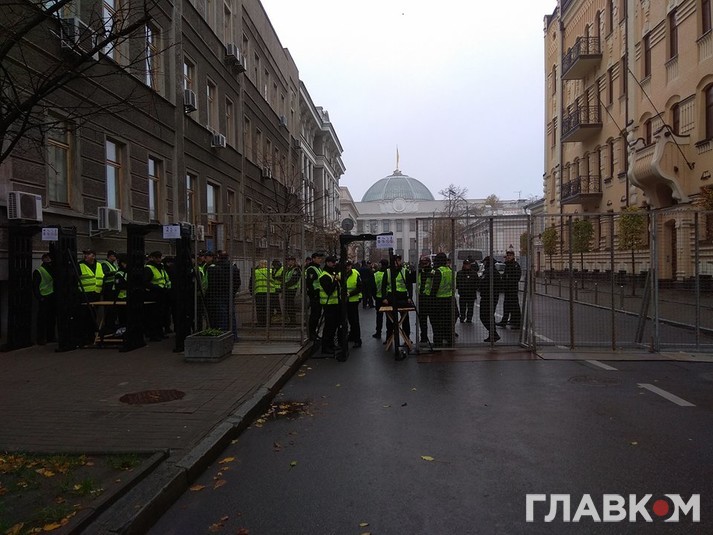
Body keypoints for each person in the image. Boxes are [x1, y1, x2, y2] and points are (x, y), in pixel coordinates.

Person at [206, 250, 241, 337]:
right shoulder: (233, 268)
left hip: (218, 295)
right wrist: (233, 292)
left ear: (218, 258)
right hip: (229, 294)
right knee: (231, 315)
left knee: (221, 315)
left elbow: (211, 283)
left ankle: (223, 335)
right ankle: (233, 335)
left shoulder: (213, 268)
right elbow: (238, 282)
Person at [380, 254, 413, 344]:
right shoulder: (387, 272)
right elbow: (383, 286)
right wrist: (384, 298)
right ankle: (389, 338)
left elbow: (409, 286)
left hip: (402, 298)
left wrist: (409, 297)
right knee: (390, 321)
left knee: (405, 320)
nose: (396, 263)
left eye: (398, 260)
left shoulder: (404, 271)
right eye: (395, 261)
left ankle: (407, 338)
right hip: (391, 298)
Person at [77, 249, 104, 345]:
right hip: (85, 295)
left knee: (93, 317)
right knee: (85, 317)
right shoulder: (80, 265)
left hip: (96, 295)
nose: (85, 256)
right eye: (85, 254)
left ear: (94, 256)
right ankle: (84, 338)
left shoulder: (99, 265)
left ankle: (91, 337)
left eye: (88, 254)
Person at [429, 252, 454, 347]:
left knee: (437, 324)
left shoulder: (438, 271)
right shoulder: (450, 271)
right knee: (448, 322)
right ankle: (450, 341)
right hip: (449, 299)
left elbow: (435, 287)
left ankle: (438, 343)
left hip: (438, 300)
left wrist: (431, 298)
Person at [144, 250, 169, 341]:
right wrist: (156, 288)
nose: (159, 259)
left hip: (161, 294)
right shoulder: (149, 268)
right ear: (152, 258)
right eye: (157, 257)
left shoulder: (161, 267)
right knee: (153, 316)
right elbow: (145, 282)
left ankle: (160, 333)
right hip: (153, 295)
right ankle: (153, 335)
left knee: (160, 316)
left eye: (160, 257)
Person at [318, 255, 340, 354]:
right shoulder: (324, 276)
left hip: (334, 303)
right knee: (329, 326)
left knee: (334, 325)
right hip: (328, 304)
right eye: (332, 262)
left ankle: (331, 344)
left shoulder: (332, 274)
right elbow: (329, 291)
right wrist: (335, 280)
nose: (334, 264)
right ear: (327, 263)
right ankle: (325, 347)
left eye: (335, 262)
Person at [32, 253, 56, 345]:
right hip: (44, 296)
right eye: (47, 258)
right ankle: (41, 338)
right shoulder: (39, 271)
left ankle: (50, 337)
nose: (49, 260)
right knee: (43, 319)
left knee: (51, 318)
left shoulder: (52, 269)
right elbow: (35, 286)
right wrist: (39, 297)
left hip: (51, 296)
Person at [479, 256, 503, 343]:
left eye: (484, 262)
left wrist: (481, 288)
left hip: (487, 297)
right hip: (492, 297)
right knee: (489, 316)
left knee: (484, 316)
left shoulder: (489, 272)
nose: (483, 264)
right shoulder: (493, 271)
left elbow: (484, 283)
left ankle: (494, 334)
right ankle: (492, 335)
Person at [498, 250, 522, 329]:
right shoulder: (507, 265)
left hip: (512, 289)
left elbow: (516, 277)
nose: (508, 257)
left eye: (510, 255)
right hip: (507, 289)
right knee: (506, 306)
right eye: (507, 255)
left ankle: (517, 323)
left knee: (514, 306)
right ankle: (504, 321)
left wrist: (508, 282)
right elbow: (504, 276)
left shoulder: (515, 265)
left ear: (513, 256)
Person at [304, 252, 324, 340]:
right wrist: (313, 294)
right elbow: (309, 283)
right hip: (315, 295)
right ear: (313, 259)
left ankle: (314, 332)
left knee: (317, 314)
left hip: (318, 295)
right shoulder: (311, 269)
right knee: (314, 315)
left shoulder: (318, 268)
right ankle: (311, 333)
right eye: (318, 258)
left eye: (320, 258)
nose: (320, 260)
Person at [344, 260, 363, 348]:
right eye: (346, 266)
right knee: (347, 320)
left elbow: (359, 287)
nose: (347, 267)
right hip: (344, 301)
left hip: (353, 301)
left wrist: (350, 294)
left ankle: (357, 340)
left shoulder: (355, 274)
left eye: (349, 265)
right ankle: (351, 336)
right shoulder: (341, 274)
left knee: (354, 321)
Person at [416, 255, 433, 344]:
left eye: (425, 263)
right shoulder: (420, 272)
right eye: (422, 263)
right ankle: (423, 337)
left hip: (430, 298)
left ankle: (436, 338)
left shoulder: (433, 272)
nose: (424, 265)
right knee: (422, 320)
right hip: (422, 298)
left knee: (433, 320)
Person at [371, 259, 389, 339]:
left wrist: (374, 296)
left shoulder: (376, 274)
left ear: (381, 265)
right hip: (388, 298)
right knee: (389, 317)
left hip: (378, 297)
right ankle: (389, 335)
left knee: (379, 317)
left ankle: (378, 332)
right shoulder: (389, 273)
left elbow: (373, 287)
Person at [250, 259, 270, 327]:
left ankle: (261, 322)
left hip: (258, 292)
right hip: (268, 292)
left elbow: (251, 282)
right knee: (267, 307)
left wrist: (251, 292)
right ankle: (268, 322)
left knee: (259, 308)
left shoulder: (256, 272)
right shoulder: (270, 271)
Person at [283, 256, 301, 325]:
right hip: (288, 289)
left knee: (290, 305)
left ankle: (293, 321)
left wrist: (285, 285)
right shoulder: (289, 270)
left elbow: (294, 280)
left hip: (292, 289)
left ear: (293, 261)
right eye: (288, 261)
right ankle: (291, 320)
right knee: (288, 305)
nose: (288, 262)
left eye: (289, 261)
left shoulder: (296, 269)